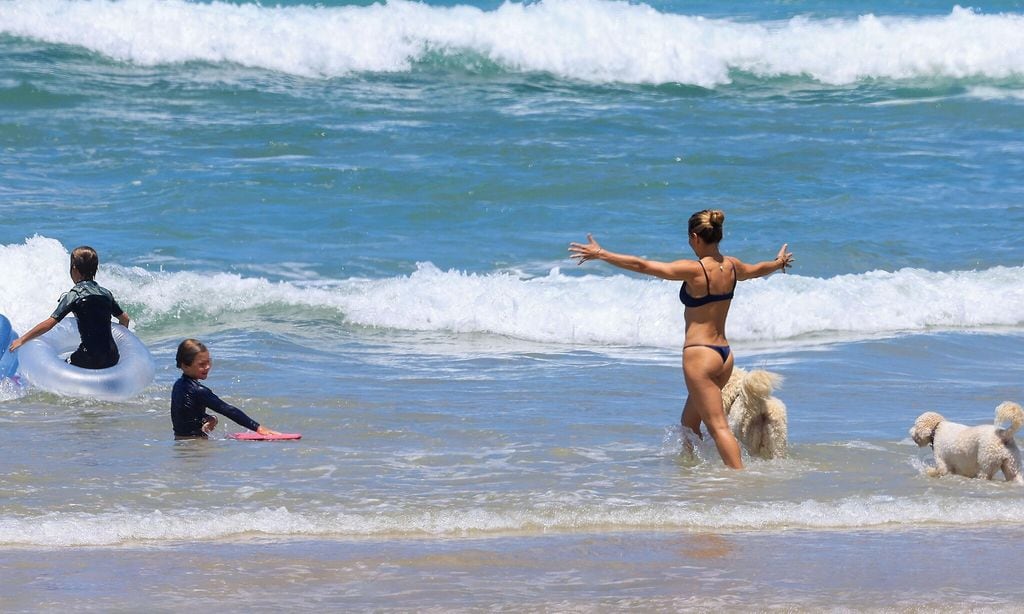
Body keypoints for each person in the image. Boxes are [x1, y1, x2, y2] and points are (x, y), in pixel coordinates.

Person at [569, 209, 793, 469]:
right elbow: (757, 270)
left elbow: (643, 266)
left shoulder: (694, 270)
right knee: (689, 423)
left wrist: (601, 254)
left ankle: (738, 483)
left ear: (696, 237)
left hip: (700, 356)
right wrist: (778, 264)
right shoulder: (732, 266)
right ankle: (692, 474)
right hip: (724, 355)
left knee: (718, 426)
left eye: (689, 238)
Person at [8, 246, 131, 369]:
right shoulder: (106, 294)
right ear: (95, 269)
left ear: (74, 269)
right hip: (112, 356)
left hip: (89, 357)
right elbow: (125, 319)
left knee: (60, 368)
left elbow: (49, 324)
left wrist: (22, 340)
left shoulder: (74, 295)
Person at [172, 338, 280, 439]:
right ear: (185, 366)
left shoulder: (178, 385)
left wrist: (211, 418)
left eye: (208, 361)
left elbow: (186, 416)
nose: (207, 367)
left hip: (181, 443)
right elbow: (227, 410)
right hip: (195, 445)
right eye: (201, 364)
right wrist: (258, 428)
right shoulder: (198, 390)